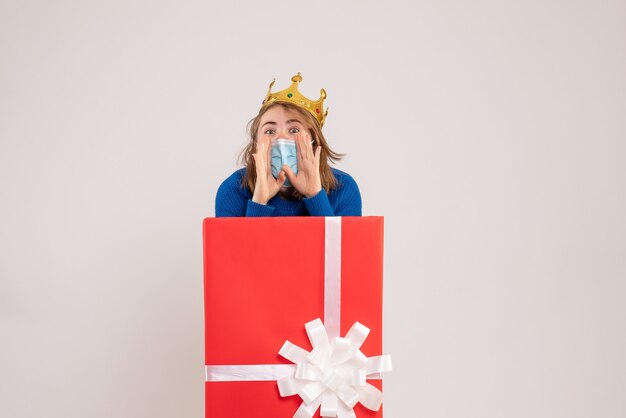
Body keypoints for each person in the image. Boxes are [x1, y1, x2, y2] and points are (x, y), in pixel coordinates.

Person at [215, 73, 362, 217]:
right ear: (256, 142)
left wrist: (315, 196)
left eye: (293, 130)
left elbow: (343, 243)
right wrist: (259, 202)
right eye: (270, 131)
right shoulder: (232, 190)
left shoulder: (344, 189)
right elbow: (238, 243)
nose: (281, 138)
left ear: (314, 139)